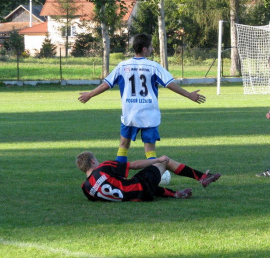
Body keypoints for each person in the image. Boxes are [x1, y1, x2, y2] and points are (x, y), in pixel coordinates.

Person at [78, 33, 206, 163]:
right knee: (150, 149)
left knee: (123, 145)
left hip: (130, 113)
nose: (152, 49)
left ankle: (119, 176)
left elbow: (107, 84)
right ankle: (154, 175)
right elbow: (170, 84)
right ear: (144, 49)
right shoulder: (153, 66)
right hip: (149, 113)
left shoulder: (123, 66)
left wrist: (89, 94)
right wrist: (189, 95)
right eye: (150, 46)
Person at [76, 151, 221, 202]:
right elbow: (133, 165)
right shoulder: (103, 167)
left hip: (136, 196)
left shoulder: (86, 189)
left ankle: (176, 194)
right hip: (140, 189)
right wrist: (156, 160)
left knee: (136, 185)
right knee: (165, 161)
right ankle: (202, 177)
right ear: (93, 161)